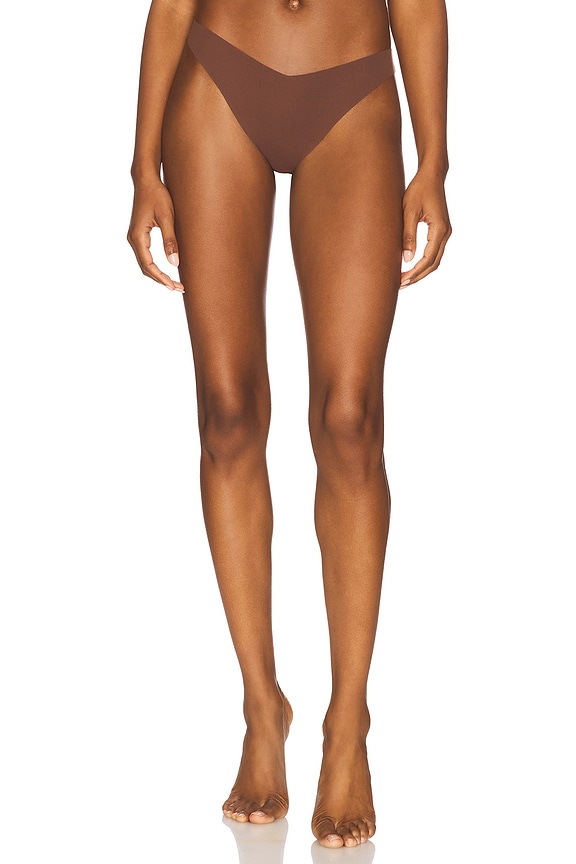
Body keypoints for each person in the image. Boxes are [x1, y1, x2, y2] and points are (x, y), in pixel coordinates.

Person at [127, 0, 451, 850]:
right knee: (227, 413)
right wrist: (140, 167)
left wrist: (434, 160)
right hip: (218, 71)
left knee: (350, 420)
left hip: (353, 84)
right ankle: (261, 707)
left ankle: (348, 724)